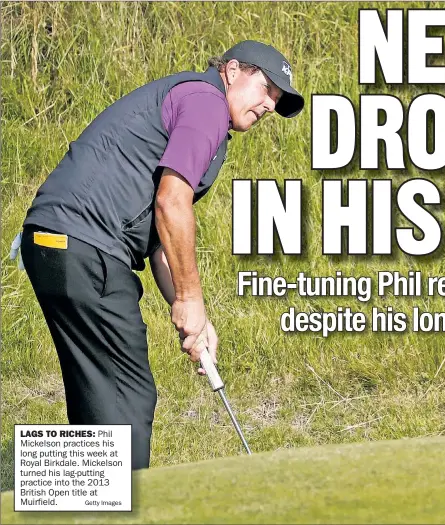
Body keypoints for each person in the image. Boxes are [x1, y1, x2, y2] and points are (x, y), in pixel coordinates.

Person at [16, 40, 304, 470]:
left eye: (276, 100)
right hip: (86, 243)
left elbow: (158, 239)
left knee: (98, 395)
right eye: (265, 88)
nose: (268, 105)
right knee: (126, 395)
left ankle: (80, 506)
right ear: (231, 70)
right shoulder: (207, 103)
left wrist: (193, 319)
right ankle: (118, 512)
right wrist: (191, 298)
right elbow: (172, 203)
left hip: (56, 243)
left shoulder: (194, 103)